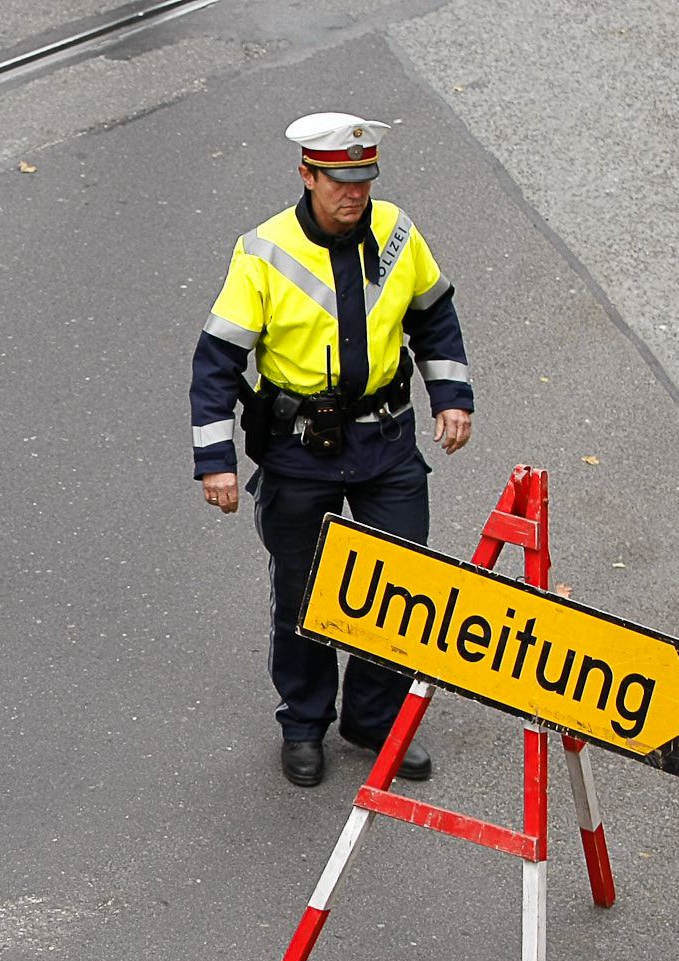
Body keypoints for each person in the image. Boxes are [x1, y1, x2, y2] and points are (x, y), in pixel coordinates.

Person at [189, 111, 475, 786]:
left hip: (386, 442)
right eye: (339, 181)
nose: (355, 193)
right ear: (307, 175)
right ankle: (304, 722)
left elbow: (434, 315)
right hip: (299, 452)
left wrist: (453, 397)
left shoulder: (398, 231)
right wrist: (216, 461)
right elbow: (217, 363)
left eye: (364, 179)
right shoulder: (262, 251)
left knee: (400, 588)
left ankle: (375, 721)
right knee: (304, 595)